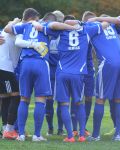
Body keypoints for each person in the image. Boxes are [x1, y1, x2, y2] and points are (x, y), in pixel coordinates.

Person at [4, 8, 76, 142]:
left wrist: (14, 21)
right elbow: (56, 26)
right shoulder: (46, 25)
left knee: (24, 99)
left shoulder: (25, 25)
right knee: (40, 100)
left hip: (25, 63)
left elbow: (8, 29)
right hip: (41, 63)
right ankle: (37, 135)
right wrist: (71, 27)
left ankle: (21, 135)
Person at [33, 16, 109, 142]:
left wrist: (64, 25)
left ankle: (69, 136)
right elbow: (105, 24)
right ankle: (82, 135)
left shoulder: (60, 30)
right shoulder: (86, 30)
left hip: (62, 72)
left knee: (64, 104)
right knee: (80, 103)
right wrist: (81, 23)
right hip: (79, 73)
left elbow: (44, 26)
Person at [86, 14, 120, 141]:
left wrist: (94, 20)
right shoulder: (112, 26)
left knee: (100, 99)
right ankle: (117, 135)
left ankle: (95, 135)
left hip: (108, 63)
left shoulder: (90, 26)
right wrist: (100, 19)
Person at [0, 20, 21, 139]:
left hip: (3, 67)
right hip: (5, 68)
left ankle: (5, 130)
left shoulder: (5, 32)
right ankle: (9, 129)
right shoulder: (12, 32)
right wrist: (15, 21)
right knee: (15, 95)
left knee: (5, 97)